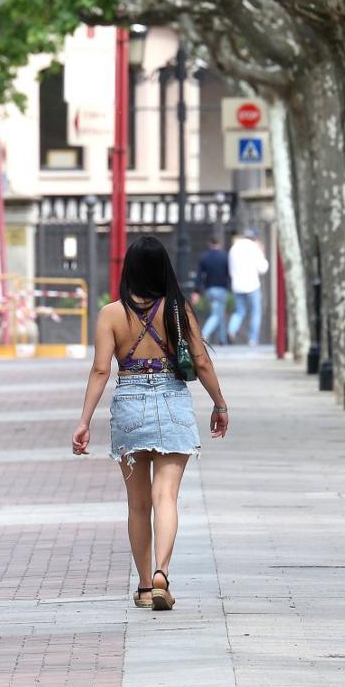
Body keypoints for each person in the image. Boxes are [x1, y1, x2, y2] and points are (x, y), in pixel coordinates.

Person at [72, 235, 228, 610]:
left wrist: (84, 420)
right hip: (172, 399)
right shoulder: (177, 308)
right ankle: (162, 572)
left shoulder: (111, 314)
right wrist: (219, 403)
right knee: (166, 497)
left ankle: (143, 586)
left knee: (138, 504)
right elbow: (202, 361)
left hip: (128, 402)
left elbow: (99, 370)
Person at [227, 229, 269, 346]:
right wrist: (263, 253)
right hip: (252, 285)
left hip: (237, 285)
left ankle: (231, 330)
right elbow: (263, 268)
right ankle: (253, 339)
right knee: (255, 312)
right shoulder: (255, 248)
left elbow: (230, 269)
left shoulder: (234, 249)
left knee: (239, 311)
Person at [195, 238, 230, 345]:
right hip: (221, 289)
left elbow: (199, 276)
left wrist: (196, 290)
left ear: (209, 243)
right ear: (219, 243)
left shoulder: (204, 257)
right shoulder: (224, 257)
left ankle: (222, 340)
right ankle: (203, 335)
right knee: (216, 314)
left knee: (219, 313)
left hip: (209, 289)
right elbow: (229, 274)